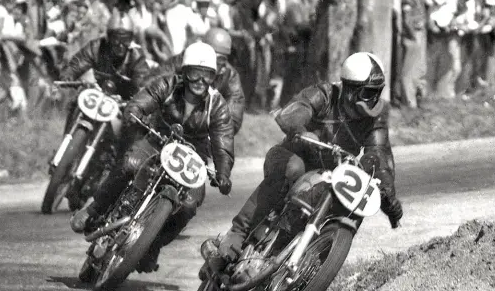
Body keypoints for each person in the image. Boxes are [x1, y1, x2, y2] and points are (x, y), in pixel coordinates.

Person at [209, 52, 405, 270]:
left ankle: (312, 269)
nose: (374, 99)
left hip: (329, 175)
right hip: (292, 155)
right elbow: (294, 110)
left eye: (377, 92)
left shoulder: (375, 116)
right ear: (351, 90)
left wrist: (389, 197)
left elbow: (380, 154)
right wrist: (301, 129)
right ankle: (238, 233)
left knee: (354, 203)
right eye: (368, 92)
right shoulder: (325, 93)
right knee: (294, 168)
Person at [70, 41, 235, 273]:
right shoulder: (167, 84)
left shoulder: (217, 105)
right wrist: (135, 110)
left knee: (189, 204)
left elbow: (223, 141)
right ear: (185, 72)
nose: (200, 81)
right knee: (130, 164)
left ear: (213, 77)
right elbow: (145, 98)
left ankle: (152, 246)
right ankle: (94, 209)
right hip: (158, 141)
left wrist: (224, 172)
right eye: (195, 73)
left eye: (207, 75)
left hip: (192, 158)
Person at [59, 9, 150, 129]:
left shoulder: (136, 58)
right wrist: (68, 77)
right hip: (94, 95)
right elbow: (75, 65)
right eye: (116, 39)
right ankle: (67, 140)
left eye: (126, 40)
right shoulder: (96, 47)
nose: (120, 45)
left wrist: (135, 102)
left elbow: (144, 85)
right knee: (75, 103)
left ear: (131, 39)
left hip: (121, 104)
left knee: (131, 127)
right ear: (108, 37)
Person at [142, 27, 245, 134]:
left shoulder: (230, 76)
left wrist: (214, 129)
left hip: (202, 133)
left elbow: (234, 116)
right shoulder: (186, 59)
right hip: (168, 122)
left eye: (219, 60)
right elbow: (154, 80)